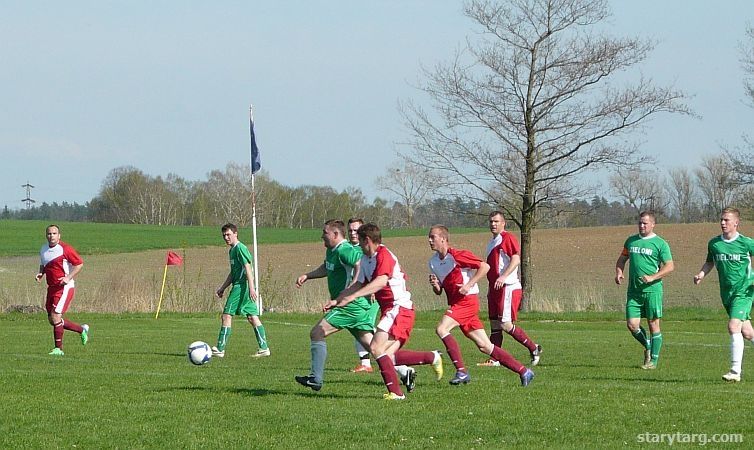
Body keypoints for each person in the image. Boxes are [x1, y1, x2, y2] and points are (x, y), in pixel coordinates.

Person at [332, 223, 443, 400]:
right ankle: (432, 356)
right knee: (387, 356)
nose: (359, 245)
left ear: (367, 240)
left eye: (360, 242)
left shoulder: (384, 255)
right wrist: (338, 299)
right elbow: (358, 283)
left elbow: (381, 282)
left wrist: (353, 297)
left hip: (399, 308)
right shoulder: (366, 258)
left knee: (376, 348)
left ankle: (396, 393)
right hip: (391, 310)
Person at [428, 225, 534, 386]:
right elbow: (440, 291)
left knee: (441, 329)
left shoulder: (457, 255)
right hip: (457, 304)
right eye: (429, 237)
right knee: (485, 346)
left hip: (468, 302)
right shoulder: (433, 262)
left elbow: (485, 267)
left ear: (443, 238)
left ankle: (461, 371)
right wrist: (436, 285)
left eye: (432, 237)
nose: (429, 240)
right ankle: (524, 371)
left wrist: (469, 284)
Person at [294, 220, 389, 391]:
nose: (322, 236)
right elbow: (326, 268)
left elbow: (359, 264)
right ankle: (405, 371)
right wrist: (308, 276)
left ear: (336, 235)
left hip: (348, 306)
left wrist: (352, 288)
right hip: (352, 305)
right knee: (374, 347)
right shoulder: (332, 251)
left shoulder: (345, 249)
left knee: (316, 333)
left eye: (325, 232)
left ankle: (316, 378)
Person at [694, 207, 754, 382]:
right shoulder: (714, 244)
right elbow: (709, 263)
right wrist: (701, 275)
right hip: (726, 294)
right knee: (748, 333)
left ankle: (735, 371)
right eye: (721, 220)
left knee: (733, 326)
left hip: (743, 291)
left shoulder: (746, 243)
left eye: (726, 220)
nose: (722, 223)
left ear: (736, 223)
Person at [479, 211, 542, 367]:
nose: (493, 224)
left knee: (505, 324)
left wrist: (503, 277)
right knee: (494, 324)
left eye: (496, 221)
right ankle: (494, 359)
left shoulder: (507, 238)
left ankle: (534, 348)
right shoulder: (491, 243)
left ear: (503, 223)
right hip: (494, 289)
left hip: (507, 287)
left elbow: (515, 259)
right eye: (491, 221)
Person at [615, 211, 674, 369]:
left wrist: (653, 277)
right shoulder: (631, 241)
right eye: (640, 223)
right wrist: (619, 272)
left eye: (645, 223)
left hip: (652, 291)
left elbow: (670, 266)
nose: (642, 226)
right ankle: (648, 346)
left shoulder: (660, 244)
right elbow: (622, 259)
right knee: (632, 324)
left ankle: (653, 361)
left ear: (653, 224)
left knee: (653, 324)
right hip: (634, 291)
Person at [212, 223, 269, 358]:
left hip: (241, 286)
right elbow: (233, 273)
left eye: (228, 234)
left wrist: (251, 288)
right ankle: (264, 348)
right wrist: (222, 288)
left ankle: (220, 349)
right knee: (252, 317)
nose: (226, 237)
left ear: (235, 234)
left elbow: (247, 267)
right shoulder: (231, 251)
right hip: (240, 285)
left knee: (226, 315)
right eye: (224, 235)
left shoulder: (240, 248)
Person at [35, 224, 89, 356]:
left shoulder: (65, 249)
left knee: (55, 316)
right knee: (52, 320)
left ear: (59, 235)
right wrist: (40, 274)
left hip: (65, 287)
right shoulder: (43, 249)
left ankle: (58, 349)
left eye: (54, 233)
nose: (51, 236)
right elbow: (44, 264)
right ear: (46, 235)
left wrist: (68, 277)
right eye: (49, 233)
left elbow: (79, 264)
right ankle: (81, 330)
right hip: (52, 288)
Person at [347, 217, 376, 373]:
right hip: (357, 295)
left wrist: (372, 290)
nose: (353, 233)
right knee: (361, 328)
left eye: (356, 230)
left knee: (364, 328)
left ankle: (388, 357)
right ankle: (367, 362)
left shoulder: (367, 249)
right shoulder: (347, 249)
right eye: (350, 230)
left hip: (369, 296)